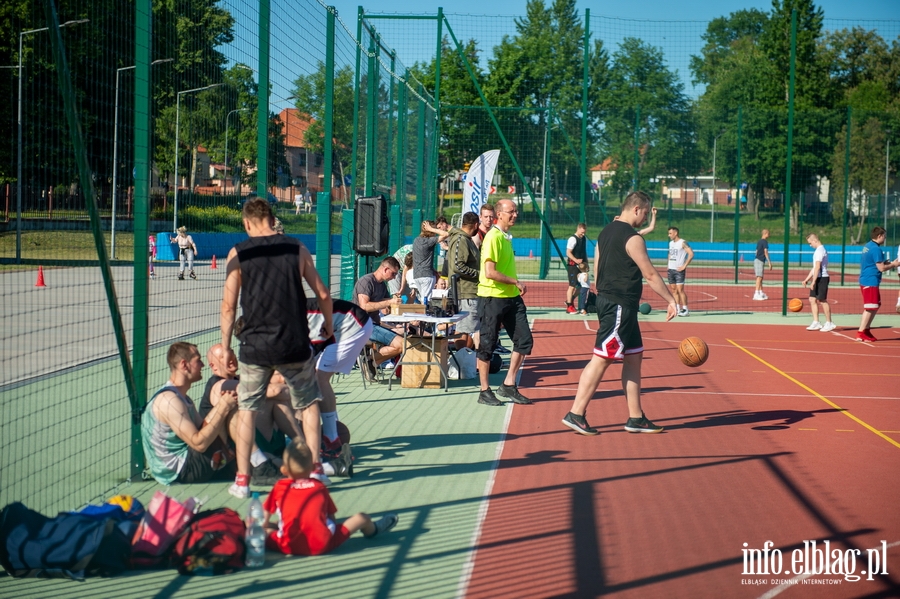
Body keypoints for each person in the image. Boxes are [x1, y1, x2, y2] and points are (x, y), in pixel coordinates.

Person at [220, 197, 333, 498]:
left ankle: (243, 480)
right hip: (293, 342)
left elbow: (229, 307)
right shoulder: (296, 248)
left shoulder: (238, 253)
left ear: (246, 223)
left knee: (247, 409)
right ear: (272, 219)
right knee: (308, 404)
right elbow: (322, 291)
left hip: (255, 346)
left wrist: (225, 345)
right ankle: (316, 469)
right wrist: (329, 325)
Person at [562, 191, 678, 436]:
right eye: (645, 214)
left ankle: (636, 417)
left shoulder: (606, 232)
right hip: (618, 306)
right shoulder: (633, 238)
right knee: (602, 358)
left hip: (615, 303)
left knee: (634, 356)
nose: (645, 219)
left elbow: (596, 264)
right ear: (636, 209)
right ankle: (576, 412)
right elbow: (649, 274)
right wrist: (671, 299)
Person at [262, 440, 398, 556]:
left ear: (284, 470)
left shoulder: (280, 486)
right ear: (314, 467)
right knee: (361, 518)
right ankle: (372, 530)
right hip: (321, 544)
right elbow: (330, 517)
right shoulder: (318, 487)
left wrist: (263, 527)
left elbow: (264, 517)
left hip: (288, 545)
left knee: (263, 529)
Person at [199, 344, 305, 482]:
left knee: (280, 401)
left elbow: (277, 382)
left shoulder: (239, 379)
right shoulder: (218, 385)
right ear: (213, 366)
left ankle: (304, 448)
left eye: (231, 353)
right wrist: (304, 390)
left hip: (248, 445)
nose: (230, 358)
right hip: (228, 455)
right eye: (223, 357)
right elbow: (275, 391)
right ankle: (306, 459)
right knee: (275, 399)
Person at [141, 342, 237, 485]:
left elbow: (204, 427)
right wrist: (223, 407)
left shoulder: (182, 397)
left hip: (185, 462)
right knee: (223, 410)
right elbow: (199, 443)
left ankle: (248, 461)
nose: (203, 364)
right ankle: (251, 464)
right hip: (180, 471)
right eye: (198, 360)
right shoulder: (169, 401)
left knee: (220, 412)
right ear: (184, 365)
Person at [476, 199, 534, 407]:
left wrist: (513, 286)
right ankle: (484, 391)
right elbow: (490, 272)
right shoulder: (493, 237)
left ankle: (508, 384)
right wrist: (515, 281)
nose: (515, 214)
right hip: (492, 297)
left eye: (516, 211)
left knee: (524, 340)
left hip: (511, 298)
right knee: (487, 345)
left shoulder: (505, 237)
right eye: (512, 211)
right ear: (499, 214)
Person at [306, 296, 371, 463]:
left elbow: (310, 352)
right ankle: (332, 429)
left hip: (353, 326)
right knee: (315, 377)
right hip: (345, 326)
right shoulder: (294, 314)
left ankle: (331, 438)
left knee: (319, 379)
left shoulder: (300, 317)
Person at [354, 256, 404, 370]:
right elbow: (364, 306)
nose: (394, 277)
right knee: (402, 344)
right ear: (386, 269)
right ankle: (370, 360)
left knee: (407, 335)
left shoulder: (382, 285)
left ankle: (370, 361)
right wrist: (390, 301)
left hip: (375, 324)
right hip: (362, 325)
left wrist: (394, 302)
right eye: (393, 274)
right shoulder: (366, 281)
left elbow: (385, 309)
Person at [857, 226, 900, 342]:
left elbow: (876, 263)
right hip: (870, 280)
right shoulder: (876, 249)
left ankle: (866, 330)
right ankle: (861, 332)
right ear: (879, 236)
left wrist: (888, 263)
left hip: (868, 279)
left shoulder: (868, 246)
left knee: (875, 305)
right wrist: (894, 265)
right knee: (870, 307)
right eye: (884, 236)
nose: (885, 239)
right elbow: (881, 268)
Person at [446, 212, 481, 350]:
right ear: (476, 225)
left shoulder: (465, 239)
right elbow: (458, 266)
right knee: (463, 330)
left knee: (469, 330)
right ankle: (461, 363)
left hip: (470, 292)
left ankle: (465, 361)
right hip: (465, 292)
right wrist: (479, 274)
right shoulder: (462, 240)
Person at [801, 234, 835, 332]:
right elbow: (814, 268)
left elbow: (817, 267)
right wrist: (807, 279)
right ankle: (816, 322)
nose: (810, 245)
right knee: (812, 299)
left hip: (822, 278)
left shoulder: (820, 251)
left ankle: (829, 322)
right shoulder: (817, 251)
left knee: (822, 300)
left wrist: (814, 281)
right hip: (817, 277)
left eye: (810, 243)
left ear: (815, 240)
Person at [412, 220, 449, 304]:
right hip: (427, 276)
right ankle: (425, 316)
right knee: (426, 301)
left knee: (422, 300)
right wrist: (431, 229)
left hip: (417, 275)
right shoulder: (429, 241)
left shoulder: (416, 240)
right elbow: (446, 234)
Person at [666, 227, 694, 317]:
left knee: (680, 290)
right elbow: (670, 253)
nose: (669, 235)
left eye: (670, 233)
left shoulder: (682, 242)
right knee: (674, 290)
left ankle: (685, 309)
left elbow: (691, 254)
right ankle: (677, 309)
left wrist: (684, 266)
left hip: (679, 270)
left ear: (675, 233)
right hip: (671, 269)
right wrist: (668, 264)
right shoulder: (671, 243)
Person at [565, 223, 588, 314]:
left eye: (584, 232)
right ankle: (569, 306)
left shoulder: (584, 239)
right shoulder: (572, 239)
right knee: (572, 286)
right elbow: (568, 252)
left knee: (583, 285)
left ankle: (570, 299)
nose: (583, 234)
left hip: (581, 266)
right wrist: (575, 260)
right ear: (578, 229)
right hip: (572, 266)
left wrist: (586, 264)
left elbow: (584, 252)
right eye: (582, 232)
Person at [753, 229, 772, 300]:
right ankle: (756, 293)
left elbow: (756, 251)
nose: (769, 235)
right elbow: (765, 252)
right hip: (759, 260)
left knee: (761, 277)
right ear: (765, 233)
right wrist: (769, 262)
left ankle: (760, 292)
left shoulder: (759, 241)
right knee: (759, 277)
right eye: (768, 233)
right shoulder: (764, 242)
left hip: (758, 260)